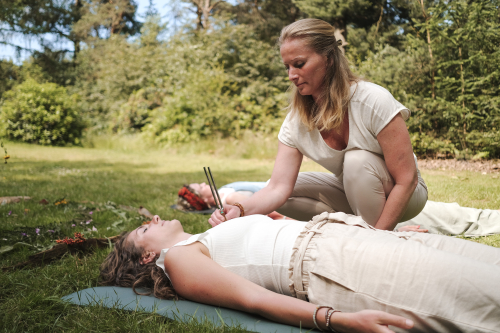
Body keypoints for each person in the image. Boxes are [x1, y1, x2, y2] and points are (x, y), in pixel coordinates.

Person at [100, 214, 500, 332]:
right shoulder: (178, 260)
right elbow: (252, 299)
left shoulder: (204, 236)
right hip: (339, 266)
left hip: (356, 238)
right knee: (486, 298)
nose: (152, 218)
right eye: (144, 229)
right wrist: (336, 319)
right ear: (148, 256)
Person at [210, 19, 428, 230]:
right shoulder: (296, 121)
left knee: (356, 160)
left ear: (328, 58)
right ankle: (365, 229)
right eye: (287, 67)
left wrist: (379, 239)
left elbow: (406, 179)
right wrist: (239, 208)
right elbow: (277, 188)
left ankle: (375, 237)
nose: (291, 76)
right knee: (284, 189)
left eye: (299, 64)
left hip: (408, 193)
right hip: (354, 194)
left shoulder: (372, 100)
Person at [180, 175, 500, 236]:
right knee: (442, 216)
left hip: (323, 199)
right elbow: (278, 213)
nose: (204, 185)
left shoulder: (228, 192)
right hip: (326, 209)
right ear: (205, 200)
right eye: (199, 189)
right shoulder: (231, 198)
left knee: (444, 214)